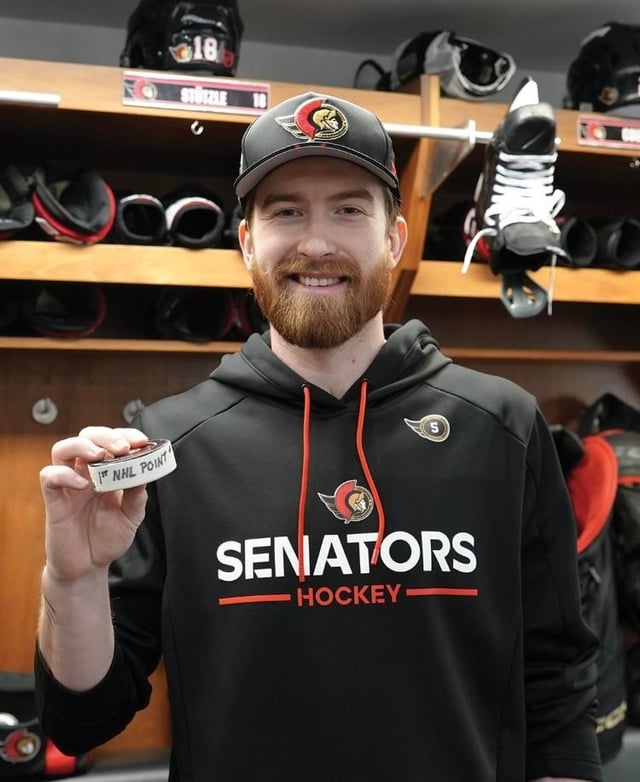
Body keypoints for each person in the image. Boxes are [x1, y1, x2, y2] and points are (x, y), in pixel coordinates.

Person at [35, 91, 603, 782]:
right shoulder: (168, 444)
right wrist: (74, 579)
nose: (315, 243)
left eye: (348, 210)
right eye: (285, 212)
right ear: (248, 243)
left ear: (394, 239)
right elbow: (83, 719)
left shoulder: (503, 425)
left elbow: (559, 685)